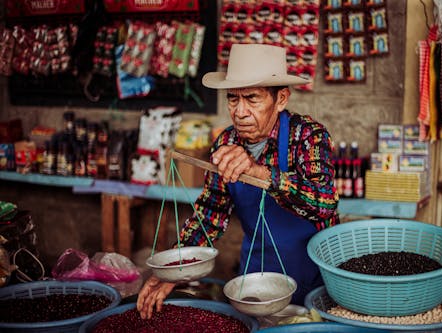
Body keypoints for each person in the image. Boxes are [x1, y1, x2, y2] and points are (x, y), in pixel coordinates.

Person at [137, 43, 339, 319]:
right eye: (233, 99)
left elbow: (324, 203)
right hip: (257, 279)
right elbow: (210, 214)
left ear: (281, 99)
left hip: (316, 277)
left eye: (252, 99)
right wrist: (175, 270)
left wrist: (261, 173)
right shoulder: (226, 143)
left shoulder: (308, 137)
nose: (240, 112)